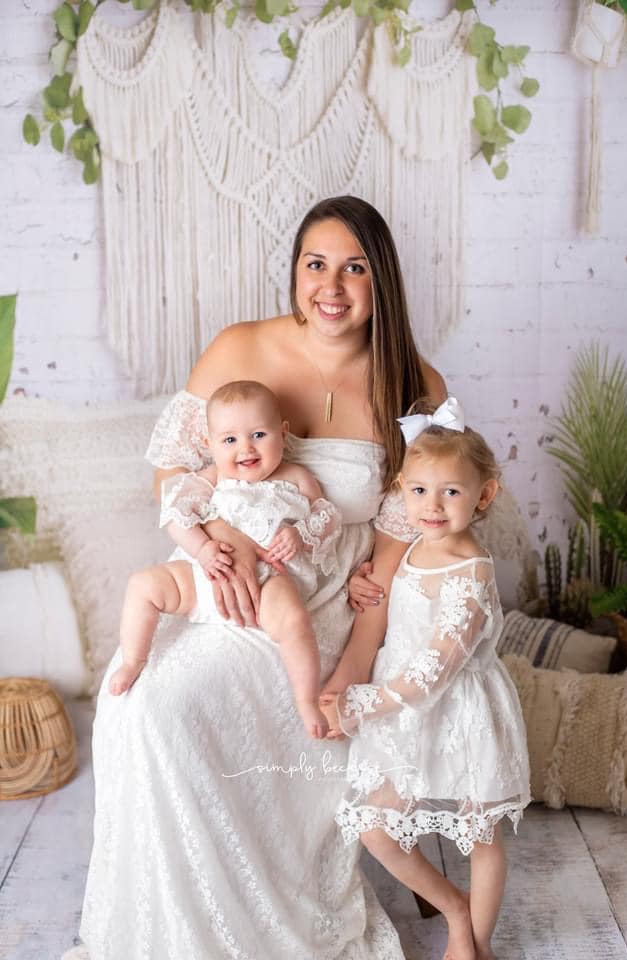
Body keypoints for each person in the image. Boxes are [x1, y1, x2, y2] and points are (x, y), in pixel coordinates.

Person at [70, 196, 448, 960]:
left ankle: (257, 916)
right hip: (220, 572)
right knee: (138, 702)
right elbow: (174, 472)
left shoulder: (417, 386)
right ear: (295, 271)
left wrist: (360, 654)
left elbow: (409, 534)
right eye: (316, 264)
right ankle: (170, 925)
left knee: (187, 707)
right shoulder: (239, 347)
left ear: (382, 280)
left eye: (354, 268)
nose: (331, 287)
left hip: (328, 601)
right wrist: (218, 543)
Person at [321, 397, 531, 960]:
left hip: (456, 709)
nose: (432, 506)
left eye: (451, 492)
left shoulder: (470, 573)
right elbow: (388, 595)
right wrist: (360, 582)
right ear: (401, 491)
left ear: (484, 495)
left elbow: (433, 669)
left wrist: (361, 703)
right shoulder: (415, 544)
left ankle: (476, 944)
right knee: (375, 827)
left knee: (480, 834)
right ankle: (454, 906)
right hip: (406, 714)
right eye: (418, 491)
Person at [110, 379, 342, 740]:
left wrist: (301, 533)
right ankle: (133, 659)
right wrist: (203, 549)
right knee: (142, 585)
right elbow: (175, 514)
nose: (245, 448)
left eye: (259, 435)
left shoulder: (297, 478)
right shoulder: (212, 478)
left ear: (283, 433)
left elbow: (328, 518)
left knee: (295, 621)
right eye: (229, 440)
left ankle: (306, 699)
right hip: (206, 574)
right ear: (210, 444)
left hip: (271, 579)